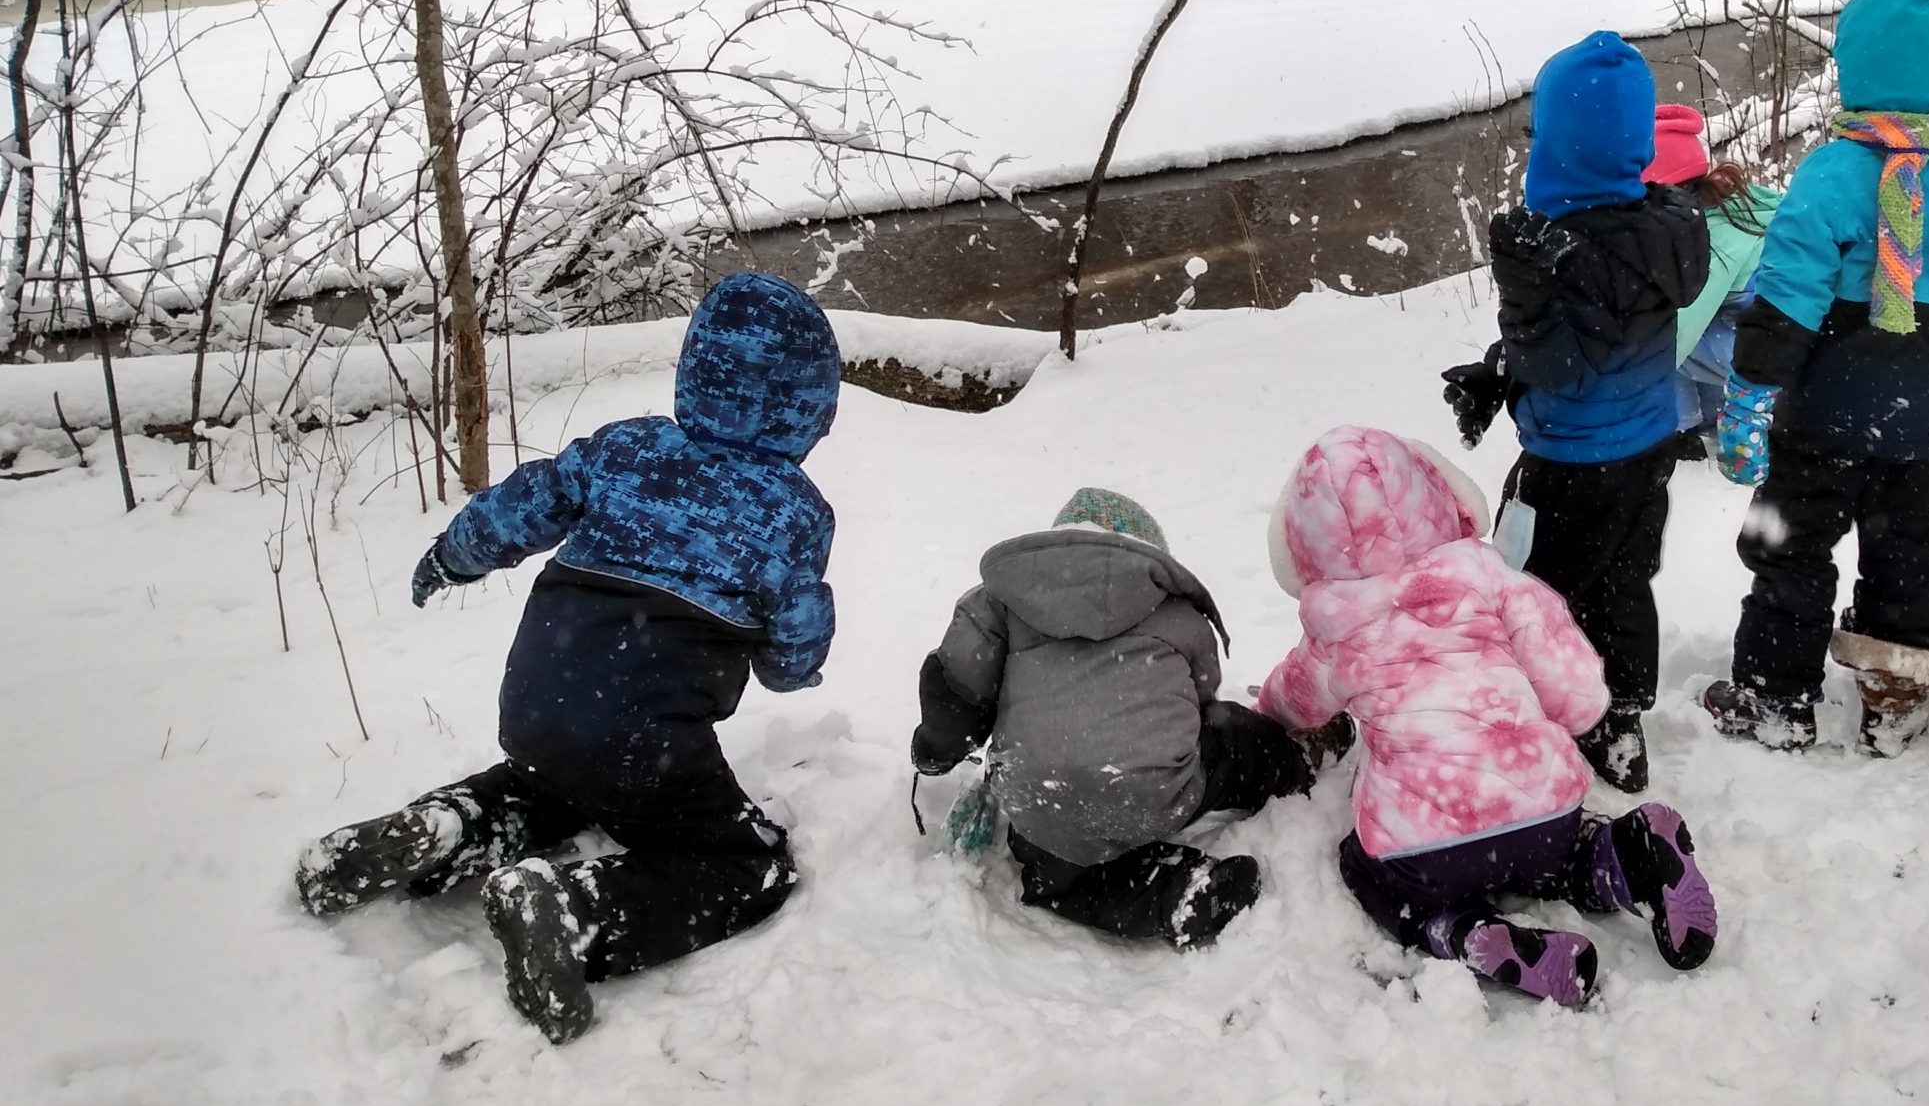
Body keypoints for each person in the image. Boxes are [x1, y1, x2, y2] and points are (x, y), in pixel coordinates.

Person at [295, 271, 843, 1044]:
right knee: (740, 864)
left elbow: (528, 500)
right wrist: (802, 640)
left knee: (550, 785)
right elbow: (788, 660)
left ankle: (441, 830)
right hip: (646, 731)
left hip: (537, 695)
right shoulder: (795, 512)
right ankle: (576, 912)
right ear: (811, 403)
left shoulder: (626, 447)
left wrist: (454, 555)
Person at [1259, 427, 1719, 1009]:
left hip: (1424, 851)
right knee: (1564, 857)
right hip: (1544, 811)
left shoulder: (1336, 626)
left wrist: (1268, 714)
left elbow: (1293, 699)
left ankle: (1465, 933)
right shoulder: (1495, 580)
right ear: (1437, 495)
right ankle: (1629, 854)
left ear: (1308, 546)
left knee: (1362, 865)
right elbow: (1577, 694)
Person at [1702, 0, 1929, 755]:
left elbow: (1784, 299)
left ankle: (1776, 695)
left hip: (1822, 415)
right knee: (1908, 545)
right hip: (1926, 419)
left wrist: (1749, 394)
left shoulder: (1834, 171)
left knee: (1790, 545)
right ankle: (1899, 689)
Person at [1441, 31, 1708, 790]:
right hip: (1645, 446)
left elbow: (1558, 360)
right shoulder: (1663, 227)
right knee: (1621, 578)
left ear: (1556, 149)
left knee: (1532, 589)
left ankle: (1536, 709)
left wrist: (1524, 291)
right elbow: (1599, 339)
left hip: (1569, 461)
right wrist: (1497, 373)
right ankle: (1621, 713)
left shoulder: (1558, 249)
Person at [909, 488, 1316, 950]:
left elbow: (956, 695)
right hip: (1160, 785)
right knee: (1233, 737)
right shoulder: (1173, 607)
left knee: (1056, 876)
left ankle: (1176, 894)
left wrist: (935, 751)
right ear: (1147, 552)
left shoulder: (998, 601)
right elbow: (1201, 696)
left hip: (1042, 798)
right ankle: (1294, 763)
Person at [1642, 103, 1781, 456]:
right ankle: (1709, 415)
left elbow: (1678, 332)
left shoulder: (1713, 239)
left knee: (1654, 341)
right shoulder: (1732, 207)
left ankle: (1678, 429)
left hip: (1774, 360)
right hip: (1783, 338)